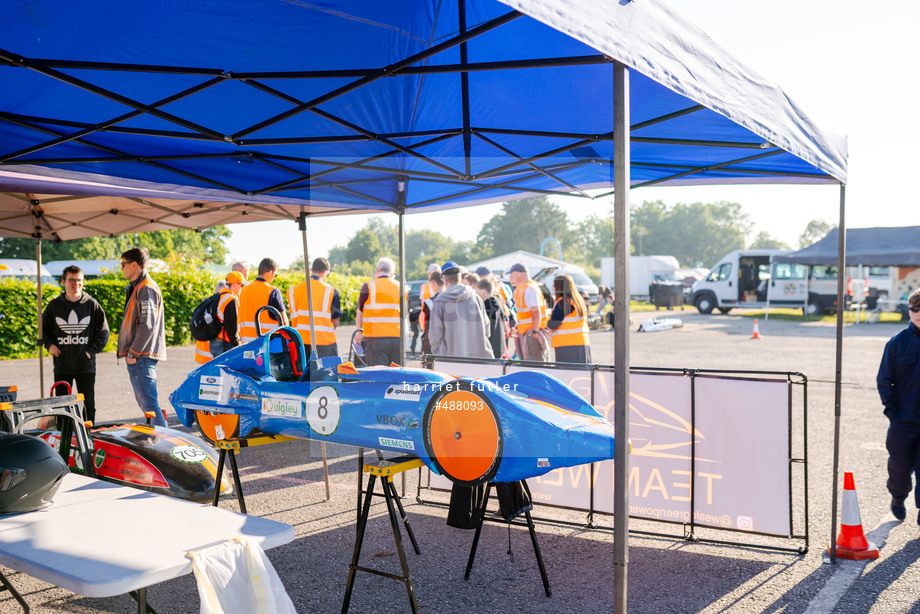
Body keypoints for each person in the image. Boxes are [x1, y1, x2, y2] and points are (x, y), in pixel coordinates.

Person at [42, 265, 109, 424]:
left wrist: (90, 351)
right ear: (63, 282)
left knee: (88, 406)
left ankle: (88, 437)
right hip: (62, 364)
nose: (75, 284)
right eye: (71, 280)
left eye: (79, 280)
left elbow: (104, 333)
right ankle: (62, 438)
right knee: (62, 406)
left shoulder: (92, 305)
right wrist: (49, 345)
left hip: (85, 365)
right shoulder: (54, 306)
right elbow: (43, 331)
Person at [878, 289, 920, 523]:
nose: (918, 313)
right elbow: (884, 380)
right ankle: (898, 497)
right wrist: (892, 412)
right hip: (903, 421)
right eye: (914, 308)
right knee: (900, 469)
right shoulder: (897, 343)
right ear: (909, 310)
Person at [118, 247, 168, 427]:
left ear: (134, 265)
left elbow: (147, 324)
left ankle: (163, 446)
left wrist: (133, 352)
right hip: (141, 356)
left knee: (149, 404)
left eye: (123, 264)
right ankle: (160, 442)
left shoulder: (145, 287)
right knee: (147, 403)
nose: (121, 268)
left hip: (141, 356)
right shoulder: (139, 287)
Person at [428, 261, 492, 358]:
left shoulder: (440, 302)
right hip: (478, 359)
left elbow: (435, 335)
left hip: (449, 359)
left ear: (444, 280)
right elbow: (487, 329)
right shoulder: (475, 297)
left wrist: (437, 354)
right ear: (459, 278)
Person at [287, 257, 341, 358]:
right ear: (325, 272)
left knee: (302, 373)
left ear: (312, 270)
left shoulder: (293, 291)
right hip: (324, 343)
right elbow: (336, 320)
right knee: (327, 373)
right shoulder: (331, 291)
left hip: (299, 342)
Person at [355, 257, 403, 366]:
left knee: (378, 375)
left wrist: (358, 332)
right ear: (392, 273)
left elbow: (360, 312)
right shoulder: (401, 287)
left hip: (375, 339)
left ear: (377, 271)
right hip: (397, 338)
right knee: (397, 374)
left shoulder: (367, 286)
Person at [238, 258, 287, 343]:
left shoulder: (243, 290)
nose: (274, 277)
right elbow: (284, 322)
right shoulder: (273, 291)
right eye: (275, 275)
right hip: (268, 346)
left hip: (246, 344)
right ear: (270, 273)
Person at [508, 263, 550, 361]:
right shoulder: (522, 289)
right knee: (529, 361)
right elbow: (526, 314)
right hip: (527, 332)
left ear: (519, 275)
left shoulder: (529, 289)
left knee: (535, 362)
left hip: (532, 333)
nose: (510, 278)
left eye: (511, 275)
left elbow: (535, 311)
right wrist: (519, 327)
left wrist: (535, 331)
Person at [547, 274, 592, 364]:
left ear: (559, 287)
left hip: (567, 346)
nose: (553, 288)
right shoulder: (577, 301)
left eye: (555, 286)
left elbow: (552, 325)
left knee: (567, 375)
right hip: (582, 343)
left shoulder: (563, 303)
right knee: (581, 375)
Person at [476, 278, 508, 359]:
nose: (476, 294)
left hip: (492, 348)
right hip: (499, 346)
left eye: (477, 292)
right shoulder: (497, 301)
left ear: (483, 292)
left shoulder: (487, 305)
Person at [420, 272, 443, 356]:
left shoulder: (429, 303)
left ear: (433, 283)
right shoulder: (455, 299)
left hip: (434, 345)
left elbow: (426, 327)